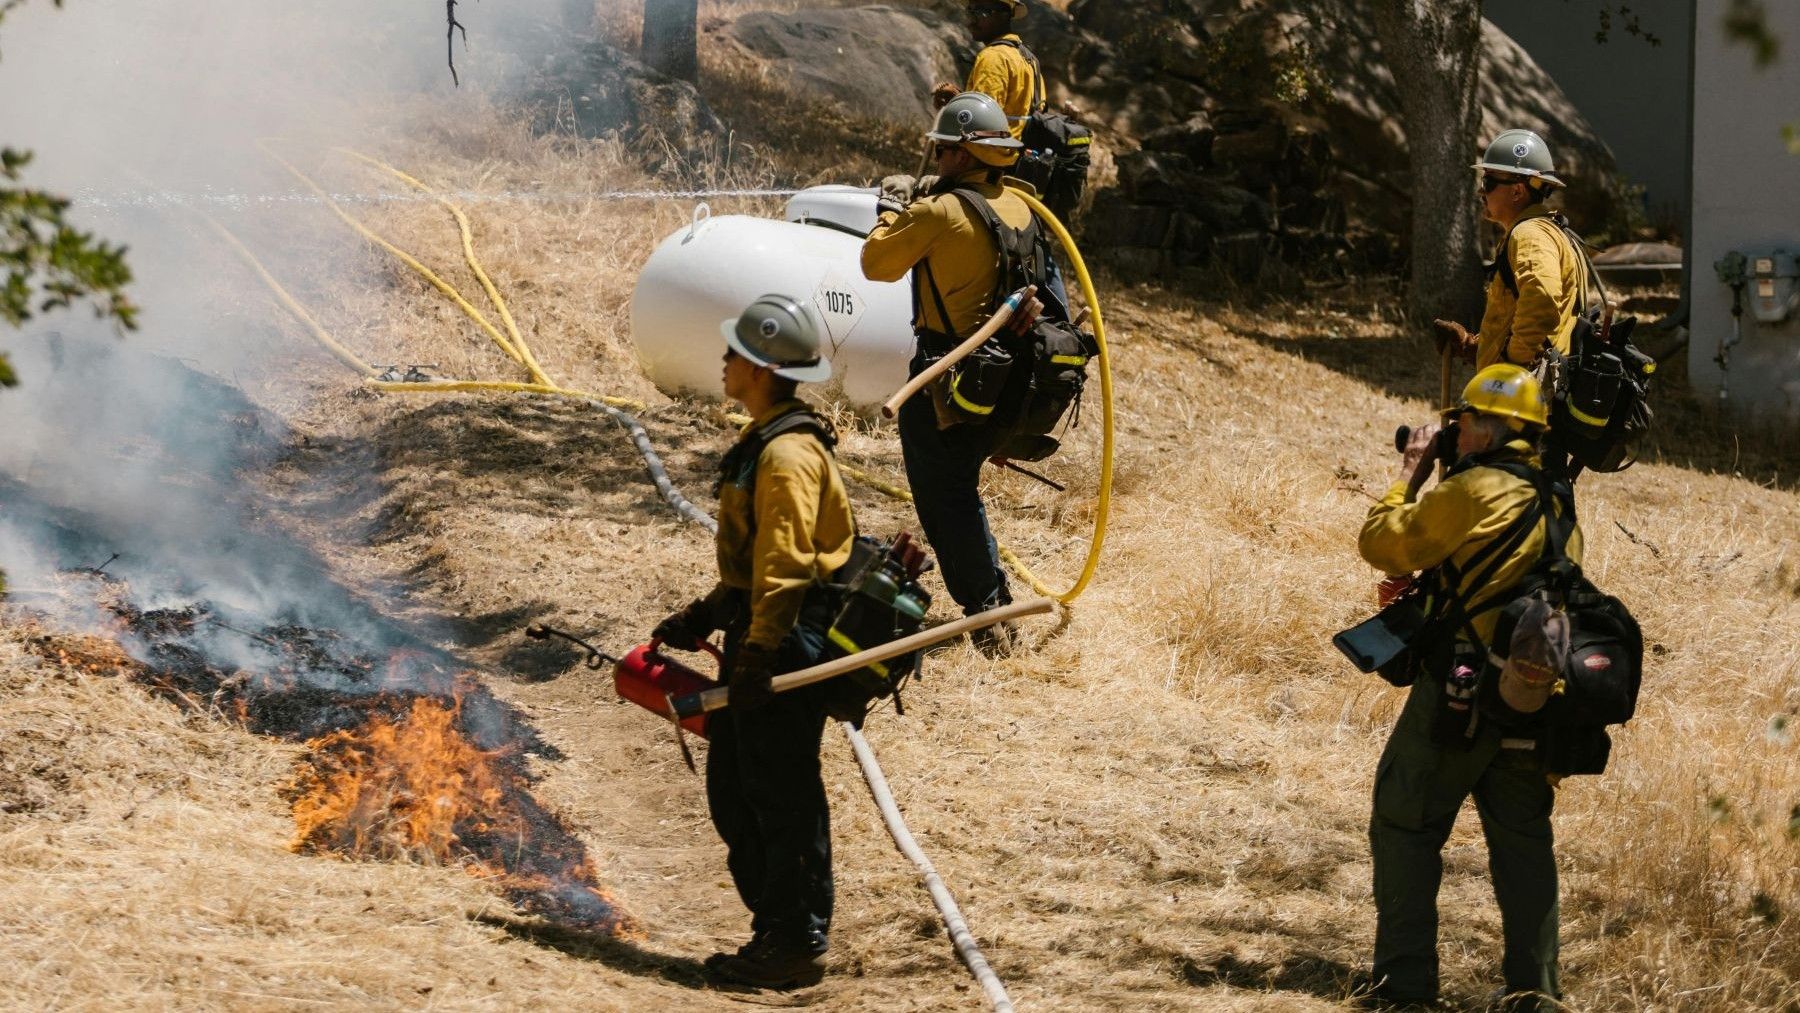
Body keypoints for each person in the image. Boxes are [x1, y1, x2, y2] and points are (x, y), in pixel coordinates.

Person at [1356, 364, 1584, 1012]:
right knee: (1523, 842)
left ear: (1484, 428)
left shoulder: (1474, 489)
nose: (1457, 431)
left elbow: (1381, 544)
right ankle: (1535, 992)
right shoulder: (1556, 492)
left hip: (1459, 691)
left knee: (1404, 820)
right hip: (1533, 694)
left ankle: (1404, 990)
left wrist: (1410, 473)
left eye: (1464, 422)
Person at [652, 294, 856, 990]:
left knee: (779, 789)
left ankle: (796, 939)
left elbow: (788, 563)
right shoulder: (766, 440)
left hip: (787, 636)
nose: (724, 358)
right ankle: (776, 929)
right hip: (761, 627)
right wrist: (705, 615)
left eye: (736, 350)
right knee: (738, 787)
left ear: (764, 367)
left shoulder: (788, 455)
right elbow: (754, 561)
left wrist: (759, 651)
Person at [861, 92, 1039, 655]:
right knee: (958, 489)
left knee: (947, 497)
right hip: (1006, 376)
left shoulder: (939, 211)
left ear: (963, 155)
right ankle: (991, 602)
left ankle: (988, 617)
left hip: (945, 378)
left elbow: (874, 264)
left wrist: (891, 209)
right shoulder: (1020, 208)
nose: (936, 161)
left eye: (941, 152)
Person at [1434, 129, 1587, 373]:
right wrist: (1474, 346)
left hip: (1521, 393)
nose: (1481, 191)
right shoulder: (1538, 231)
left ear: (1517, 191)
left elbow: (1542, 301)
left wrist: (1511, 364)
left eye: (1489, 182)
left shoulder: (1530, 235)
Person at [932, 0, 1037, 139]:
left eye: (980, 13)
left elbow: (979, 124)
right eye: (970, 13)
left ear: (1004, 16)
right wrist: (960, 98)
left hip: (987, 157)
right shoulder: (1028, 57)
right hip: (1013, 155)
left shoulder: (993, 57)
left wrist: (953, 106)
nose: (970, 23)